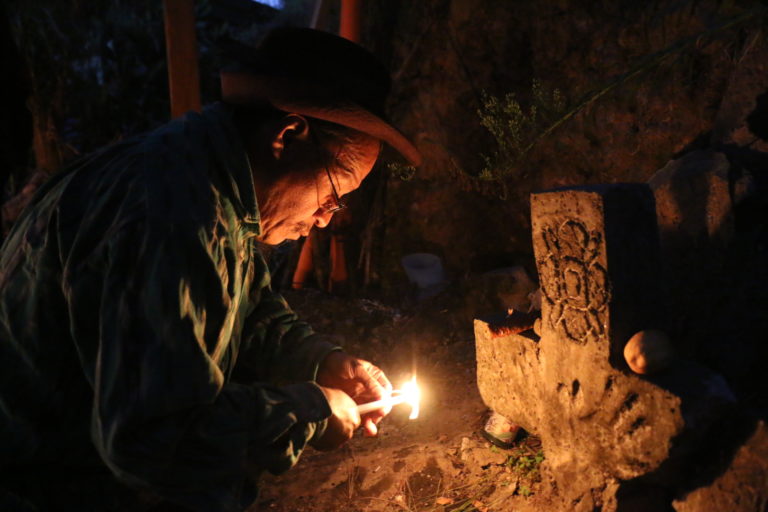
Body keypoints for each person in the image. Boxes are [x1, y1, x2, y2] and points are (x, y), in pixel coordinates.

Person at [0, 27, 421, 511]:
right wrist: (310, 410)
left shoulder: (209, 179)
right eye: (334, 193)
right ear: (287, 137)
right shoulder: (172, 213)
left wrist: (319, 361)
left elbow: (247, 308)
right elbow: (157, 437)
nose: (326, 218)